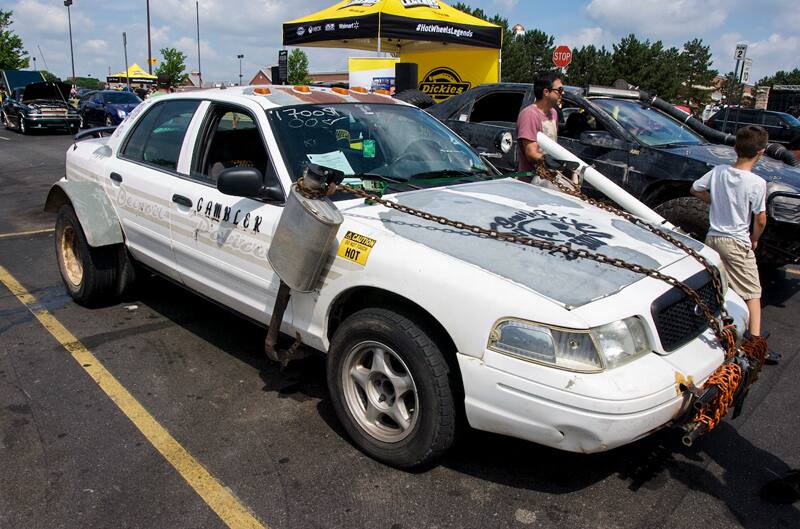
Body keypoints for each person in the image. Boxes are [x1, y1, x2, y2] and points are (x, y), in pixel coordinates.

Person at [690, 125, 769, 342]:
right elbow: (760, 218)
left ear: (735, 148)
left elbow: (695, 189)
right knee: (753, 292)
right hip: (737, 241)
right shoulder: (757, 182)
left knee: (720, 285)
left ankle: (721, 327)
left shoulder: (718, 172)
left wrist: (714, 201)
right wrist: (754, 239)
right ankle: (755, 341)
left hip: (713, 237)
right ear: (761, 152)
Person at [516, 71, 563, 174]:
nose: (562, 93)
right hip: (531, 181)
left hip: (550, 177)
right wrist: (547, 160)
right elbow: (531, 153)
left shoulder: (553, 113)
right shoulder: (529, 114)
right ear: (546, 92)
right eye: (560, 90)